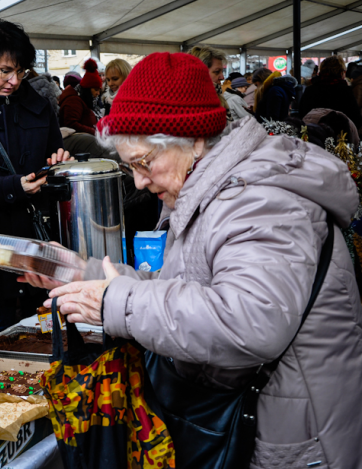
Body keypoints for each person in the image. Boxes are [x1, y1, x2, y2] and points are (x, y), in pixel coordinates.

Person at [23, 51, 362, 468]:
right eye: (132, 167)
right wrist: (83, 273)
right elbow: (190, 289)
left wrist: (116, 303)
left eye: (144, 163)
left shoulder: (259, 200)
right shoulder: (217, 189)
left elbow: (251, 320)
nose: (141, 182)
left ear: (195, 138)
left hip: (294, 439)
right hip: (264, 426)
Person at [0, 19, 69, 331]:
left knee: (45, 341)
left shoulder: (39, 106)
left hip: (37, 244)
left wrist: (58, 165)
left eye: (20, 71)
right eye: (4, 71)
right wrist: (15, 187)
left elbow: (53, 162)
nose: (14, 80)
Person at [299, 56, 362, 131]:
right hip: (340, 137)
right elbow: (355, 119)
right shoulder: (345, 91)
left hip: (314, 135)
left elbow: (302, 115)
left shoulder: (310, 90)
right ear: (341, 72)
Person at [58, 58, 100, 135]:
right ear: (87, 90)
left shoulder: (80, 100)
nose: (98, 93)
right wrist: (95, 132)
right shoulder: (73, 101)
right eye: (96, 90)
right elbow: (71, 124)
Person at [188, 45, 229, 117]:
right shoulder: (191, 103)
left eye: (222, 72)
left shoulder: (219, 97)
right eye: (217, 72)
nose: (222, 77)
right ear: (199, 72)